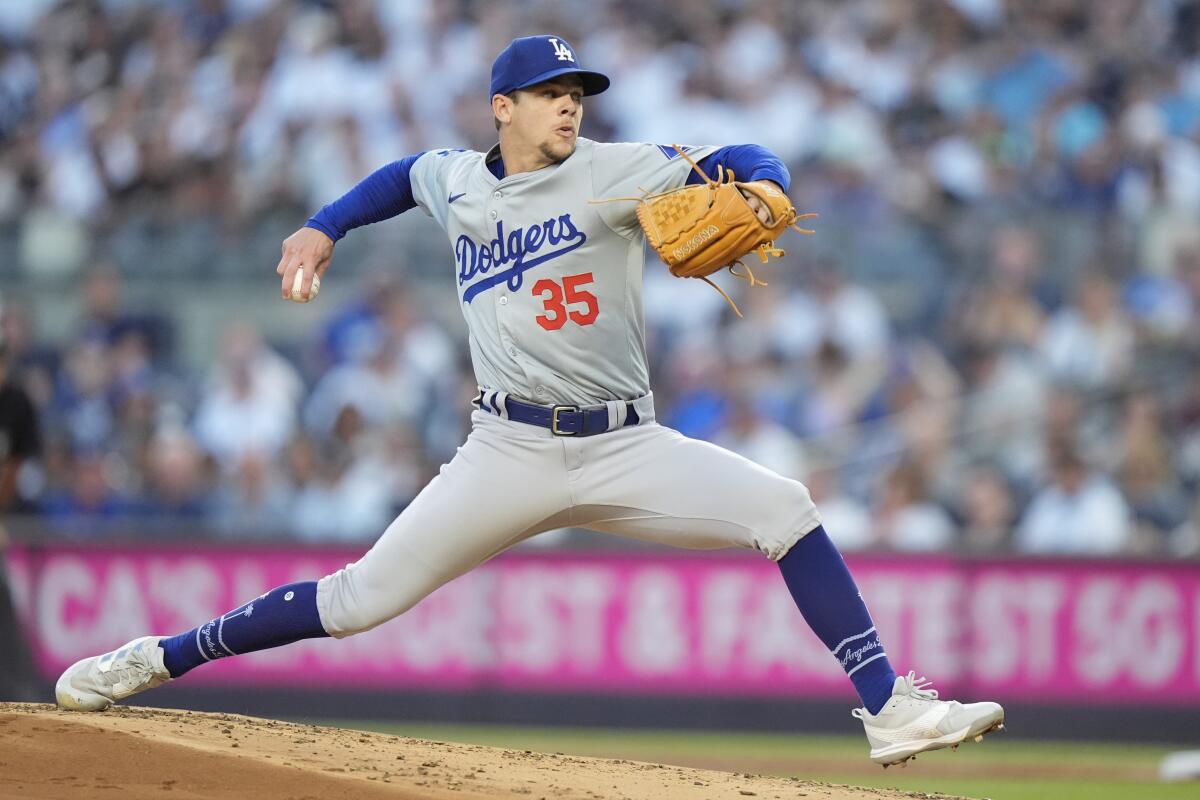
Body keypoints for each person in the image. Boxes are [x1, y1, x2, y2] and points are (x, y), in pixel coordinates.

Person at [55, 35, 1003, 767]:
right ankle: (160, 658)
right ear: (502, 107)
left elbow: (748, 150)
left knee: (785, 509)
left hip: (627, 443)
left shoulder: (617, 170)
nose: (570, 109)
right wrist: (320, 226)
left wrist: (765, 185)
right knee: (353, 603)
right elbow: (399, 180)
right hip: (506, 450)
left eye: (577, 95)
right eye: (552, 95)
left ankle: (888, 708)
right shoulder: (460, 181)